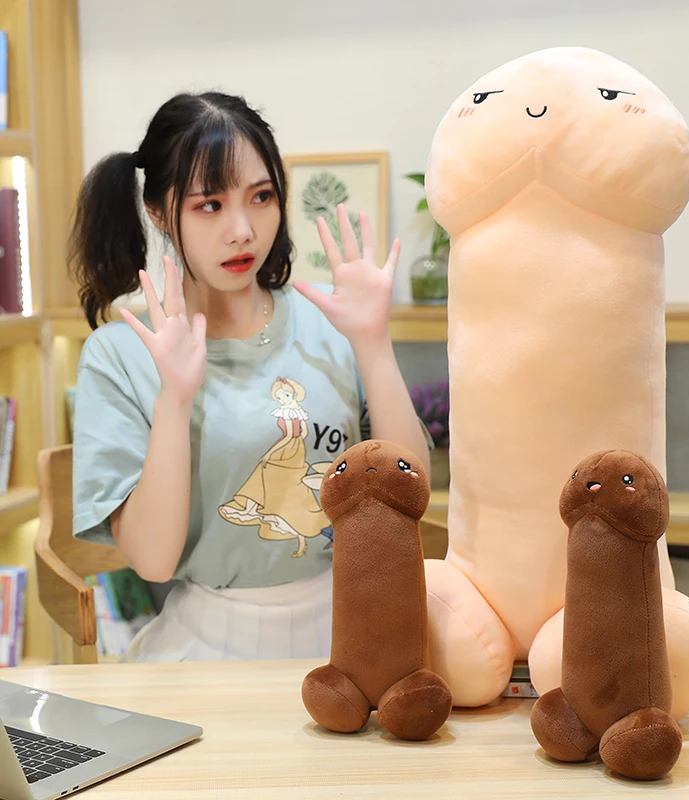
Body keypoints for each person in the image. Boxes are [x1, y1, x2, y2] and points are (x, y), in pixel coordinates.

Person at [68, 90, 431, 663]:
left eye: (261, 196)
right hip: (205, 644)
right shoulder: (120, 354)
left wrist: (373, 343)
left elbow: (412, 490)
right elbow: (153, 561)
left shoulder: (333, 319)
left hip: (349, 632)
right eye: (209, 205)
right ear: (158, 212)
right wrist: (175, 400)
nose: (242, 230)